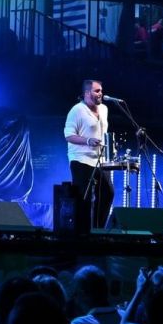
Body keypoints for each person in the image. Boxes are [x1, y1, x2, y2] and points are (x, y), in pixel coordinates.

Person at [64, 79, 115, 229]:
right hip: (81, 160)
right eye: (97, 91)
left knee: (108, 193)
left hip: (100, 161)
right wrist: (88, 141)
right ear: (87, 93)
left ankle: (98, 230)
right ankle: (81, 231)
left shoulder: (104, 109)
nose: (101, 93)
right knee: (83, 198)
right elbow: (69, 136)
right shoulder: (77, 110)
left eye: (101, 90)